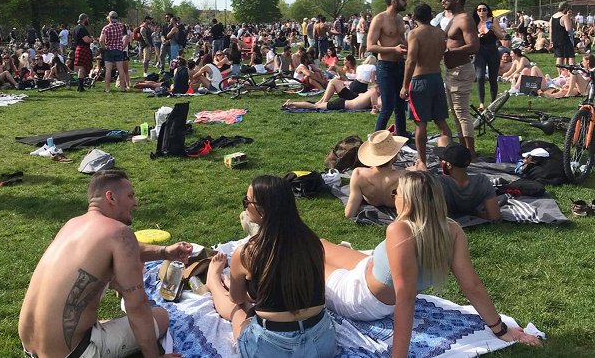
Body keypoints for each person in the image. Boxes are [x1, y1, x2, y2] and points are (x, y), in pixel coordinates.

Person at [322, 171, 541, 357]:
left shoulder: (400, 230)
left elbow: (405, 299)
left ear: (407, 200)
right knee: (321, 245)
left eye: (395, 193)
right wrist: (500, 330)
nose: (393, 197)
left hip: (361, 298)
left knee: (313, 254)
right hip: (368, 271)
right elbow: (471, 286)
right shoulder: (452, 229)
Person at [19, 170, 187, 358]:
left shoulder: (73, 224)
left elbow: (121, 249)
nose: (135, 202)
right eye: (130, 195)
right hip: (75, 353)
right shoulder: (120, 233)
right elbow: (137, 306)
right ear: (111, 197)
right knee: (160, 316)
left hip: (31, 347)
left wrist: (164, 252)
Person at [205, 175, 336, 357]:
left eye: (247, 201)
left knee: (237, 311)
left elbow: (237, 298)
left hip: (271, 348)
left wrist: (234, 285)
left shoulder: (247, 253)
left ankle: (212, 280)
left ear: (263, 210)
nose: (244, 204)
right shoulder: (313, 242)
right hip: (321, 343)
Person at [400, 3, 453, 170]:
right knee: (441, 123)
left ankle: (421, 161)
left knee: (420, 123)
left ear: (414, 18)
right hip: (436, 78)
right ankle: (448, 162)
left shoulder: (414, 33)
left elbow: (411, 60)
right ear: (430, 16)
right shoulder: (440, 33)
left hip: (420, 80)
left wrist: (404, 85)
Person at [442, 0, 479, 159]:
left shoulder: (464, 19)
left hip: (461, 71)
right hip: (451, 72)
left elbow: (474, 46)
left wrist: (450, 52)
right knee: (455, 113)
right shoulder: (452, 18)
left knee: (462, 112)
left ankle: (470, 151)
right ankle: (463, 148)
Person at [367, 0, 409, 137]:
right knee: (387, 107)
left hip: (400, 65)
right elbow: (370, 45)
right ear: (393, 1)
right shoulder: (379, 19)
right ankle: (376, 140)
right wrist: (394, 50)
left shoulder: (399, 19)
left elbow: (401, 40)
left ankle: (402, 136)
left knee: (400, 105)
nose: (406, 1)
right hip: (385, 67)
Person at [344, 130, 407, 217]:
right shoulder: (405, 176)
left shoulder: (358, 174)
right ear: (393, 156)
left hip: (373, 201)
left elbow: (349, 213)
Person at [435, 143, 501, 221]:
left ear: (449, 165)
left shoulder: (438, 183)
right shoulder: (482, 181)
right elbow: (495, 217)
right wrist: (477, 213)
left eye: (441, 160)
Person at [472, 3, 504, 111]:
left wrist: (494, 29)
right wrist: (477, 36)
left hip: (492, 52)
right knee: (480, 77)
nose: (482, 12)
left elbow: (501, 36)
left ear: (487, 11)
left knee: (492, 78)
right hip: (480, 52)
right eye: (479, 10)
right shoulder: (475, 23)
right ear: (476, 12)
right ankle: (481, 104)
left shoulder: (493, 20)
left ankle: (492, 103)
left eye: (484, 9)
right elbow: (470, 39)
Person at [99, 11, 129, 92]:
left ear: (110, 17)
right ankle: (122, 87)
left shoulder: (106, 28)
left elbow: (101, 40)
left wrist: (104, 47)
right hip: (119, 49)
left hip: (109, 49)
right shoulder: (121, 26)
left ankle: (107, 88)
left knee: (108, 70)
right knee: (120, 69)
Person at [73, 13, 94, 92]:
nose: (88, 21)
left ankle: (80, 86)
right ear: (85, 19)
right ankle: (80, 87)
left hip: (78, 48)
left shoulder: (75, 28)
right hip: (83, 48)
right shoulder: (82, 29)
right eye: (87, 19)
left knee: (80, 68)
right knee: (82, 68)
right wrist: (91, 39)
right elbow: (86, 40)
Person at [551, 1, 575, 67]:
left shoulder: (553, 16)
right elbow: (568, 29)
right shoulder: (564, 17)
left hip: (555, 39)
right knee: (571, 56)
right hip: (564, 39)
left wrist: (551, 41)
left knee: (559, 57)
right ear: (565, 8)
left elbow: (551, 30)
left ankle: (560, 74)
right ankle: (571, 71)